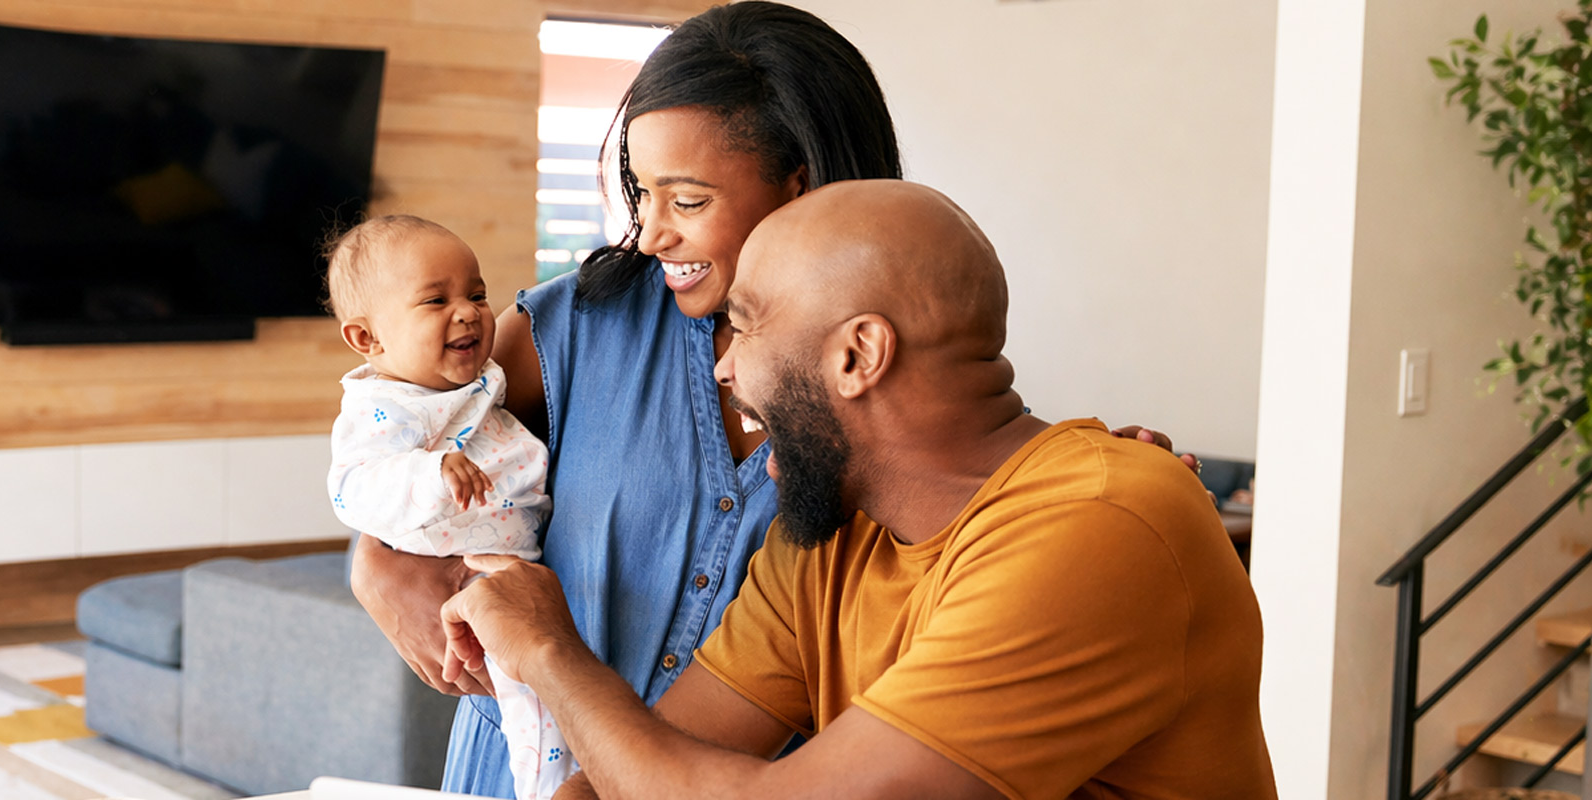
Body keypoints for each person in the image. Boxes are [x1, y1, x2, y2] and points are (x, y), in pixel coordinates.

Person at [346, 4, 1196, 796]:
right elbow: (396, 430)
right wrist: (377, 561)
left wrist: (1087, 493)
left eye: (689, 199)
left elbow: (967, 481)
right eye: (642, 195)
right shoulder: (578, 326)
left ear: (798, 183)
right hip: (545, 764)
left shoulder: (884, 415)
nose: (648, 233)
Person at [440, 180, 1278, 800]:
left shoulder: (1101, 524)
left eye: (749, 322)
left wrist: (548, 650)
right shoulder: (830, 538)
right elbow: (636, 775)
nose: (724, 366)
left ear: (858, 355)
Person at [321, 215, 571, 799]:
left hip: (518, 569)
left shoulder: (475, 384)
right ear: (368, 339)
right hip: (472, 584)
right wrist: (429, 472)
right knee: (535, 710)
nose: (468, 311)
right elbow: (351, 489)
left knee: (550, 699)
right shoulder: (383, 408)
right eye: (436, 300)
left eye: (477, 294)